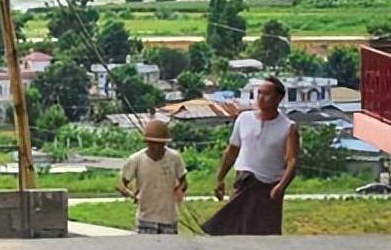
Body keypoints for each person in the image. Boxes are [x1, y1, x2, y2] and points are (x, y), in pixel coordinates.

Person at [202, 76, 299, 236]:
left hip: (269, 188)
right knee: (234, 227)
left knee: (266, 232)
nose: (261, 98)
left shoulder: (288, 128)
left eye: (266, 94)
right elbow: (232, 150)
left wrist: (281, 186)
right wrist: (220, 178)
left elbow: (292, 161)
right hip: (244, 182)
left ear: (279, 98)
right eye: (259, 93)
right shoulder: (244, 119)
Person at [118, 120, 187, 234]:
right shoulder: (136, 159)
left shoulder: (174, 158)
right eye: (151, 143)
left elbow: (183, 180)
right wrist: (130, 193)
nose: (154, 147)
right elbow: (121, 184)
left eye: (158, 144)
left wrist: (180, 189)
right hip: (146, 218)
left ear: (164, 143)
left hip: (169, 217)